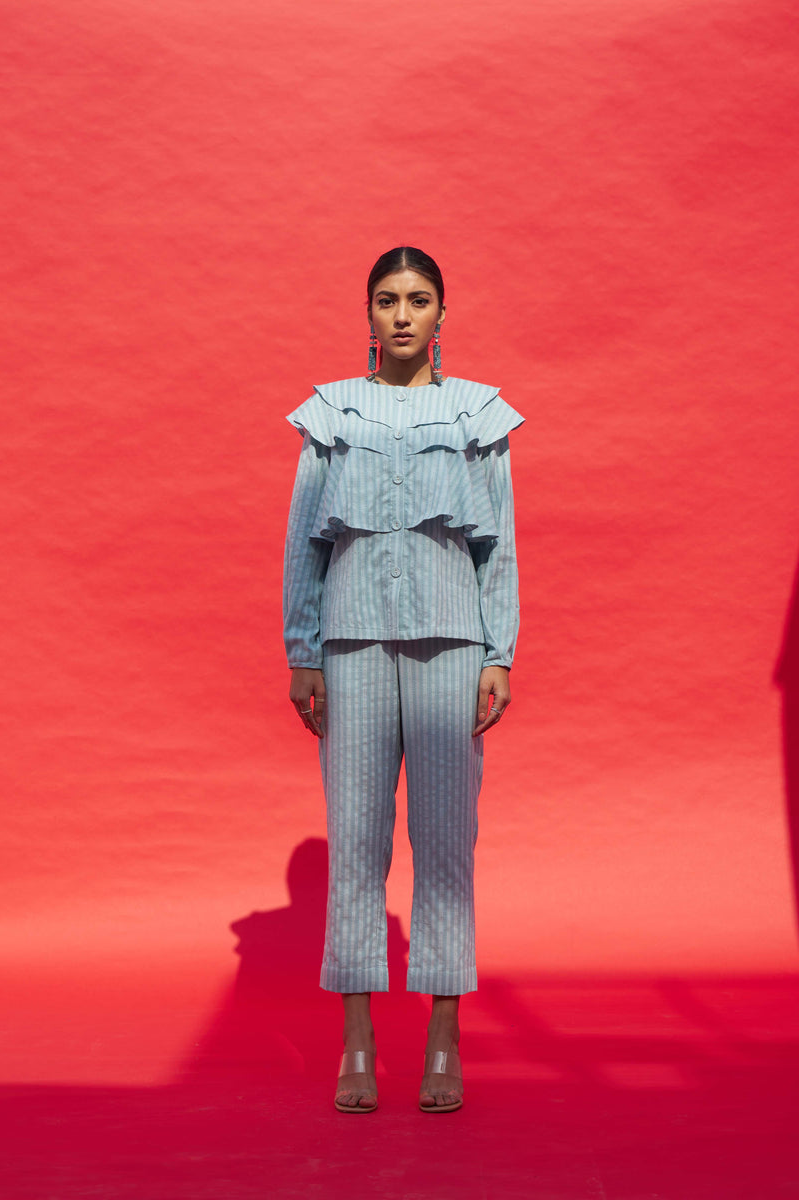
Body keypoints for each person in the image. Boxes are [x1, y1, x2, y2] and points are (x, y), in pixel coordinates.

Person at [283, 246, 523, 1113]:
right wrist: (302, 650)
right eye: (387, 300)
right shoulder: (332, 413)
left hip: (452, 646)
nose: (402, 315)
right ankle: (356, 1041)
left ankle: (443, 1037)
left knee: (446, 845)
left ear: (442, 315)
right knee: (356, 842)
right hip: (350, 648)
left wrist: (499, 652)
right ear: (369, 314)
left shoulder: (476, 415)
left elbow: (498, 548)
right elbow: (304, 540)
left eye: (419, 300)